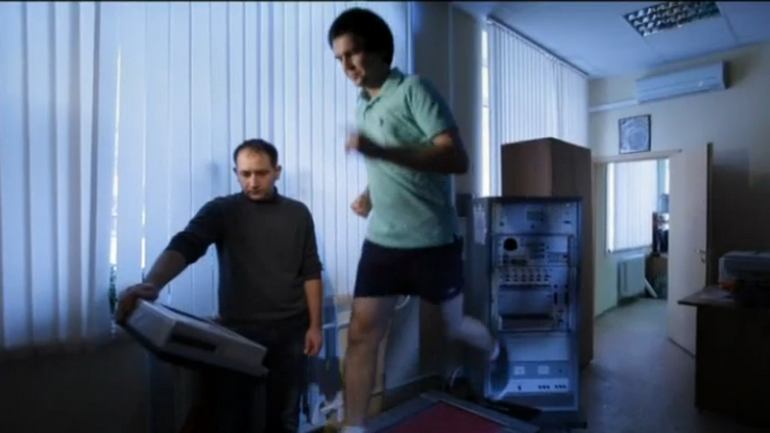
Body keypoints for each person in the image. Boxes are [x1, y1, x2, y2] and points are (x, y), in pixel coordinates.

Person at [327, 8, 505, 432]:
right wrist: (370, 194)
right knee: (362, 335)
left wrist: (380, 151)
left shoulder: (414, 90)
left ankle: (496, 349)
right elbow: (388, 163)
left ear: (378, 49)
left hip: (432, 240)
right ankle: (354, 427)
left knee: (453, 327)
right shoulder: (363, 104)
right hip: (383, 241)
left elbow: (455, 158)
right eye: (339, 58)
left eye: (353, 53)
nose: (346, 66)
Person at [115, 138, 323, 433]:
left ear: (277, 172)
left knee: (283, 417)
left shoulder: (298, 213)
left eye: (261, 173)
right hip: (239, 332)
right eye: (245, 174)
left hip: (291, 331)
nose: (253, 182)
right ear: (236, 173)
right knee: (232, 417)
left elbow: (311, 271)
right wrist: (152, 283)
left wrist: (315, 326)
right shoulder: (222, 210)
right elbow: (187, 244)